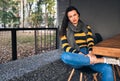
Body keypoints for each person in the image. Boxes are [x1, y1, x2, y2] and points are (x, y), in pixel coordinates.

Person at [59, 6, 119, 81]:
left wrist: (90, 52)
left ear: (78, 15)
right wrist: (80, 53)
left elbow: (90, 42)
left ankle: (95, 60)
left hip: (89, 53)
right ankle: (98, 60)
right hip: (77, 57)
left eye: (74, 15)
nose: (73, 18)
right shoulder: (64, 30)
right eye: (70, 16)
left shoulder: (87, 27)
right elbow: (66, 47)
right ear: (68, 18)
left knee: (107, 68)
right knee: (64, 56)